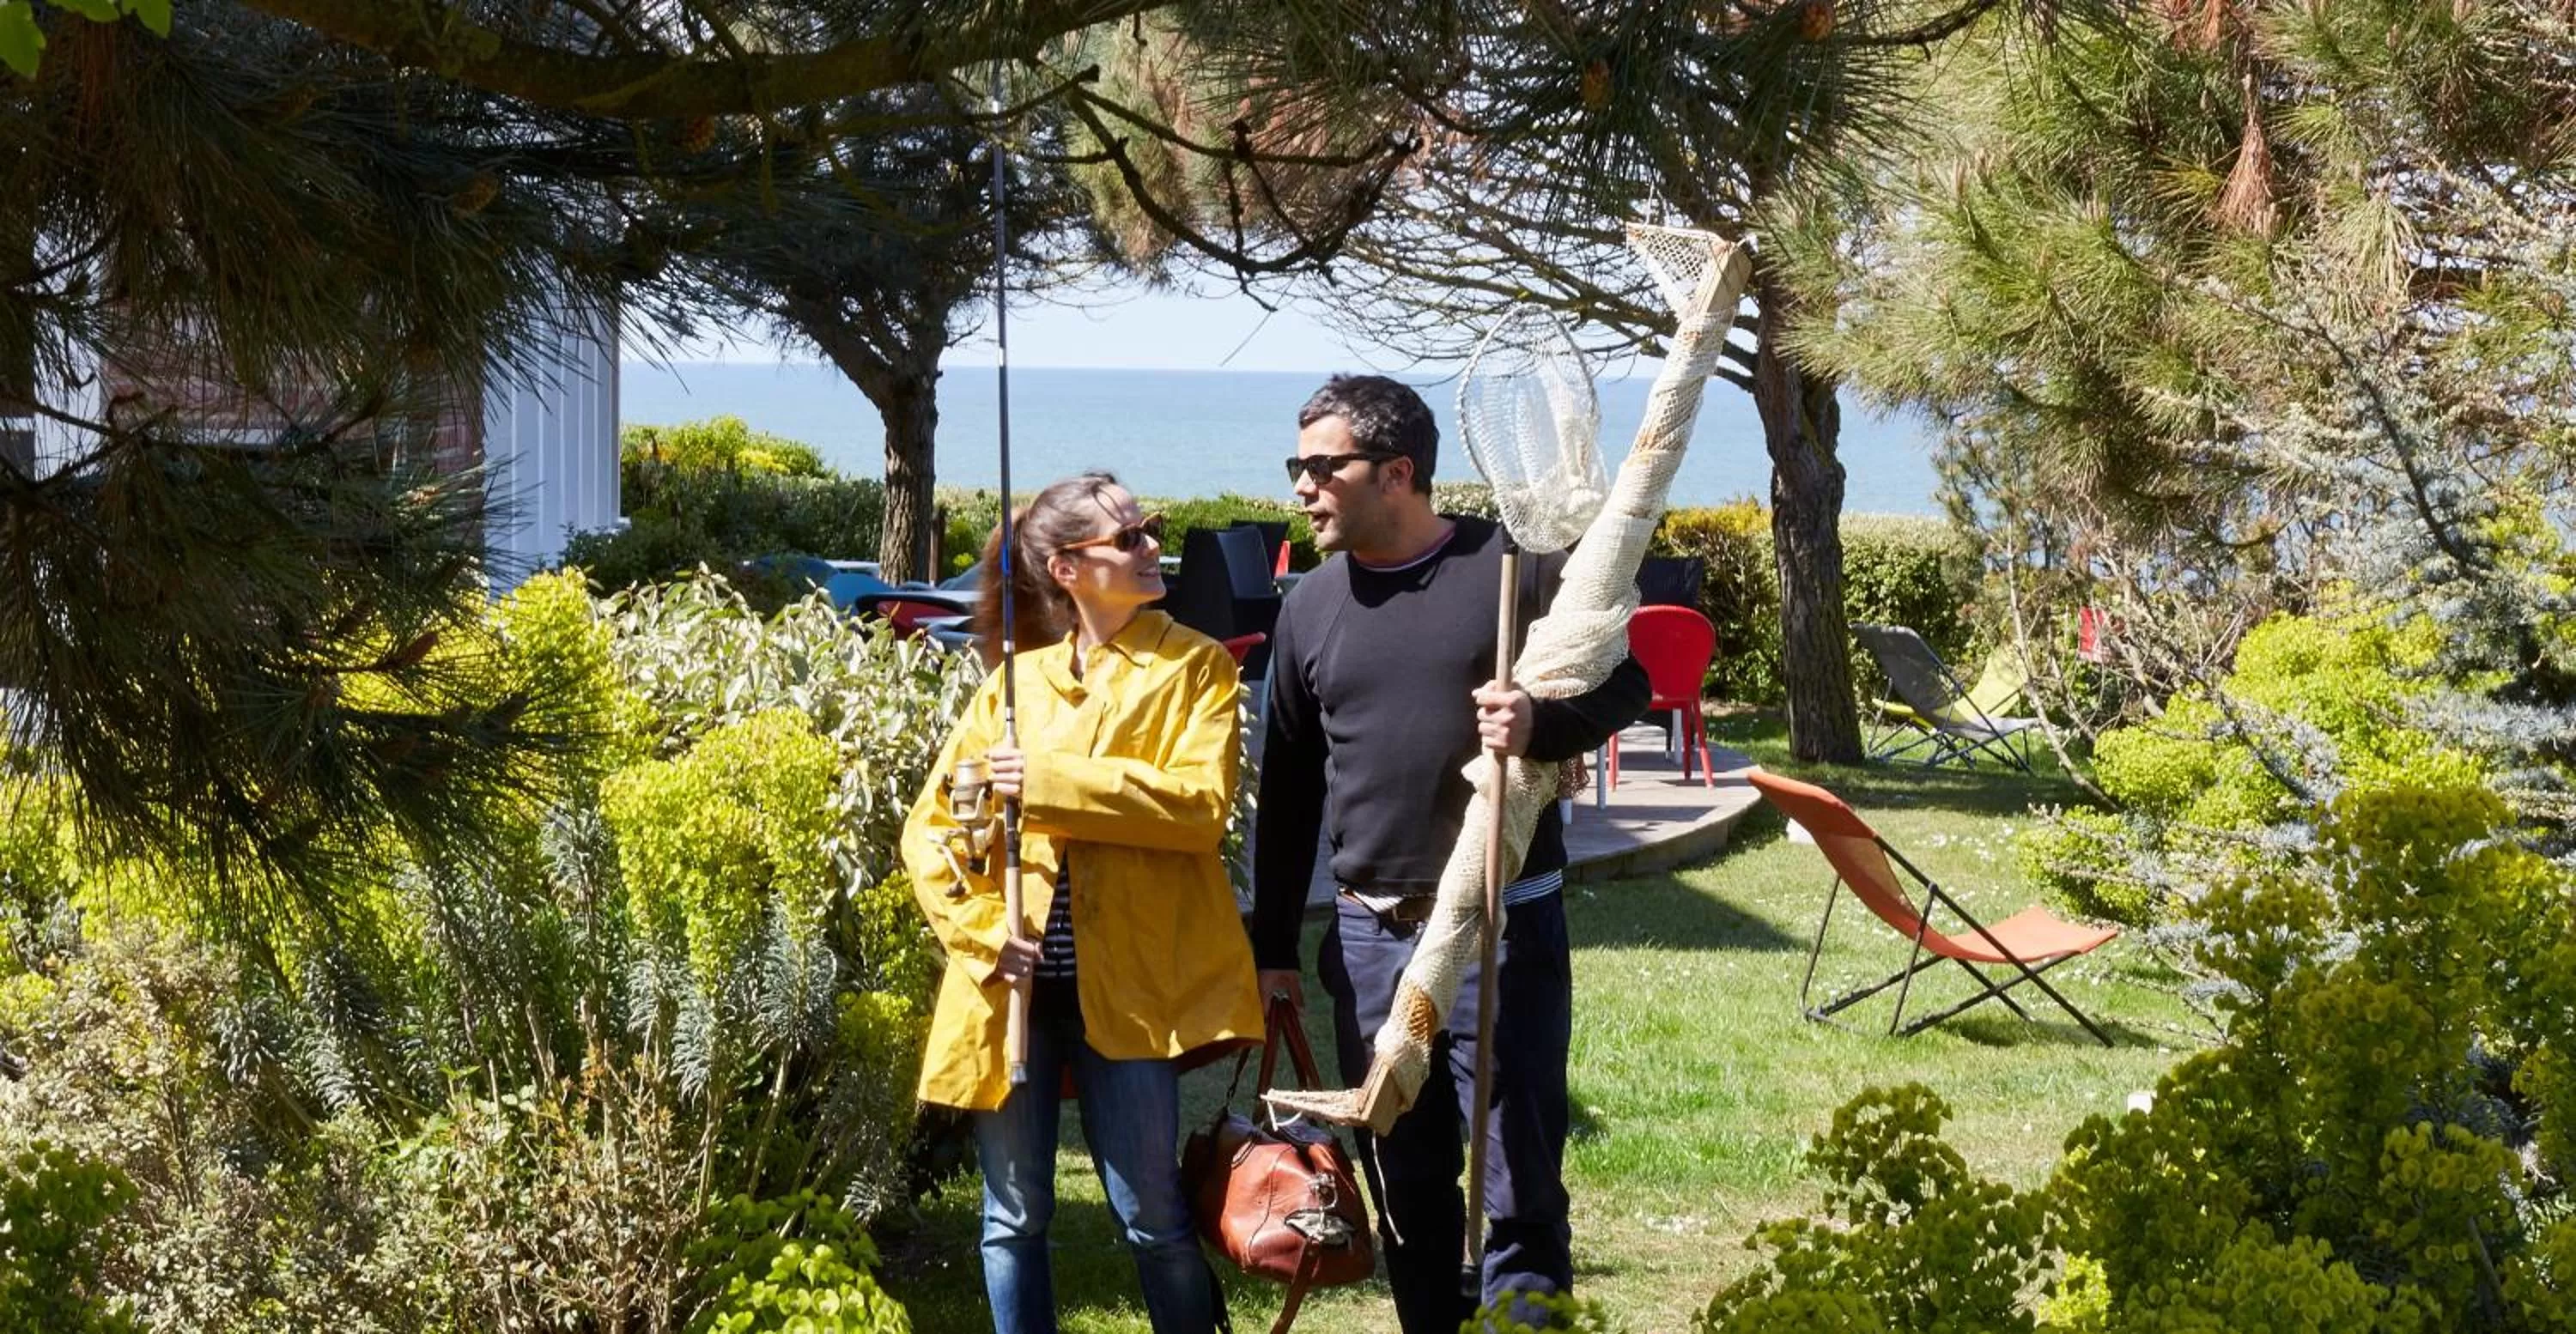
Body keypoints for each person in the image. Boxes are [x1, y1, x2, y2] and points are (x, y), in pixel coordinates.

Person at [1249, 375, 1650, 1331]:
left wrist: (1544, 722)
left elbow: (1629, 682)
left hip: (1500, 933)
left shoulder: (1514, 568)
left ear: (1398, 472)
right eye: (1295, 467)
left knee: (1517, 1186)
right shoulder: (1307, 607)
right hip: (1368, 942)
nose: (1302, 487)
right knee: (1408, 1188)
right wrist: (1271, 950)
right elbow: (1291, 794)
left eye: (1321, 467)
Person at [902, 472, 1261, 1334]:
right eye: (1130, 536)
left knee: (1154, 1220)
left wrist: (1051, 781)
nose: (1151, 546)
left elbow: (1197, 809)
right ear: (1067, 568)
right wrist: (984, 931)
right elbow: (936, 831)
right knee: (1012, 1220)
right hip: (1011, 992)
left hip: (1130, 992)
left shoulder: (1194, 668)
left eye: (1152, 527)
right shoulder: (1012, 685)